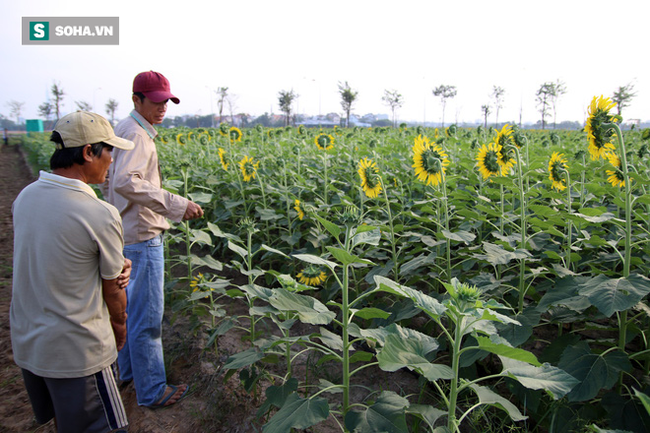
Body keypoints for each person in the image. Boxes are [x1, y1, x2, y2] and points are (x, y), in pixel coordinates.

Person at [11, 111, 134, 432]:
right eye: (109, 151)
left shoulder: (26, 197)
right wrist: (119, 330)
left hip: (30, 344)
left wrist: (111, 262)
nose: (112, 160)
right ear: (88, 152)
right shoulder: (98, 212)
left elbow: (58, 256)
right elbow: (113, 290)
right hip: (77, 353)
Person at [101, 71, 203, 408]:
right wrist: (177, 204)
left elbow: (112, 182)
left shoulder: (125, 129)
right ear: (137, 100)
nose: (162, 108)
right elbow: (126, 182)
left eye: (166, 102)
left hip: (125, 232)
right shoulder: (137, 135)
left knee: (131, 312)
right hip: (142, 236)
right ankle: (152, 390)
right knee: (147, 318)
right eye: (156, 101)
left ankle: (130, 375)